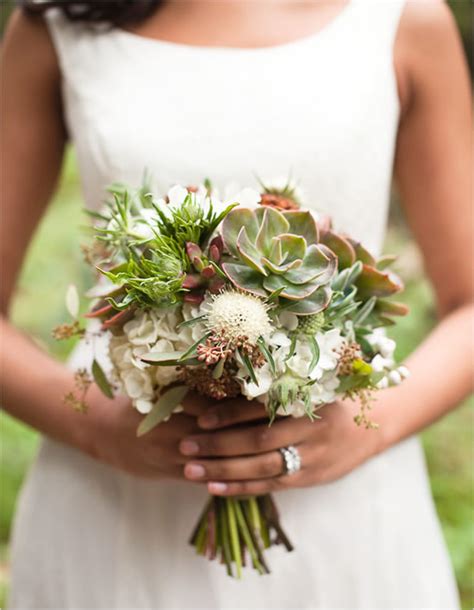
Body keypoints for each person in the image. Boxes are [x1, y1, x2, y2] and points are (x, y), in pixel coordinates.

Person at [1, 0, 471, 608]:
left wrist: (362, 433)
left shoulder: (405, 19)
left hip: (345, 509)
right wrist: (95, 429)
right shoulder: (59, 21)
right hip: (112, 504)